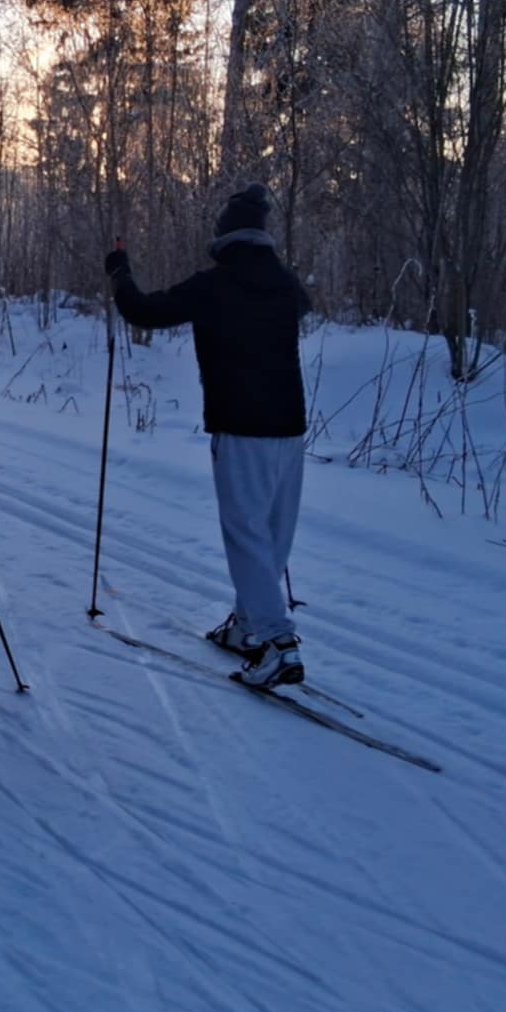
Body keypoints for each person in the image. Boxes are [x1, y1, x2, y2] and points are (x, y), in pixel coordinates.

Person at [104, 183, 313, 689]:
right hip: (289, 426)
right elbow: (300, 306)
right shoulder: (287, 285)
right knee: (270, 535)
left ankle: (276, 645)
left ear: (224, 236)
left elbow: (144, 312)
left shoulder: (215, 284)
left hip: (240, 425)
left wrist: (119, 272)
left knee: (246, 534)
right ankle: (247, 627)